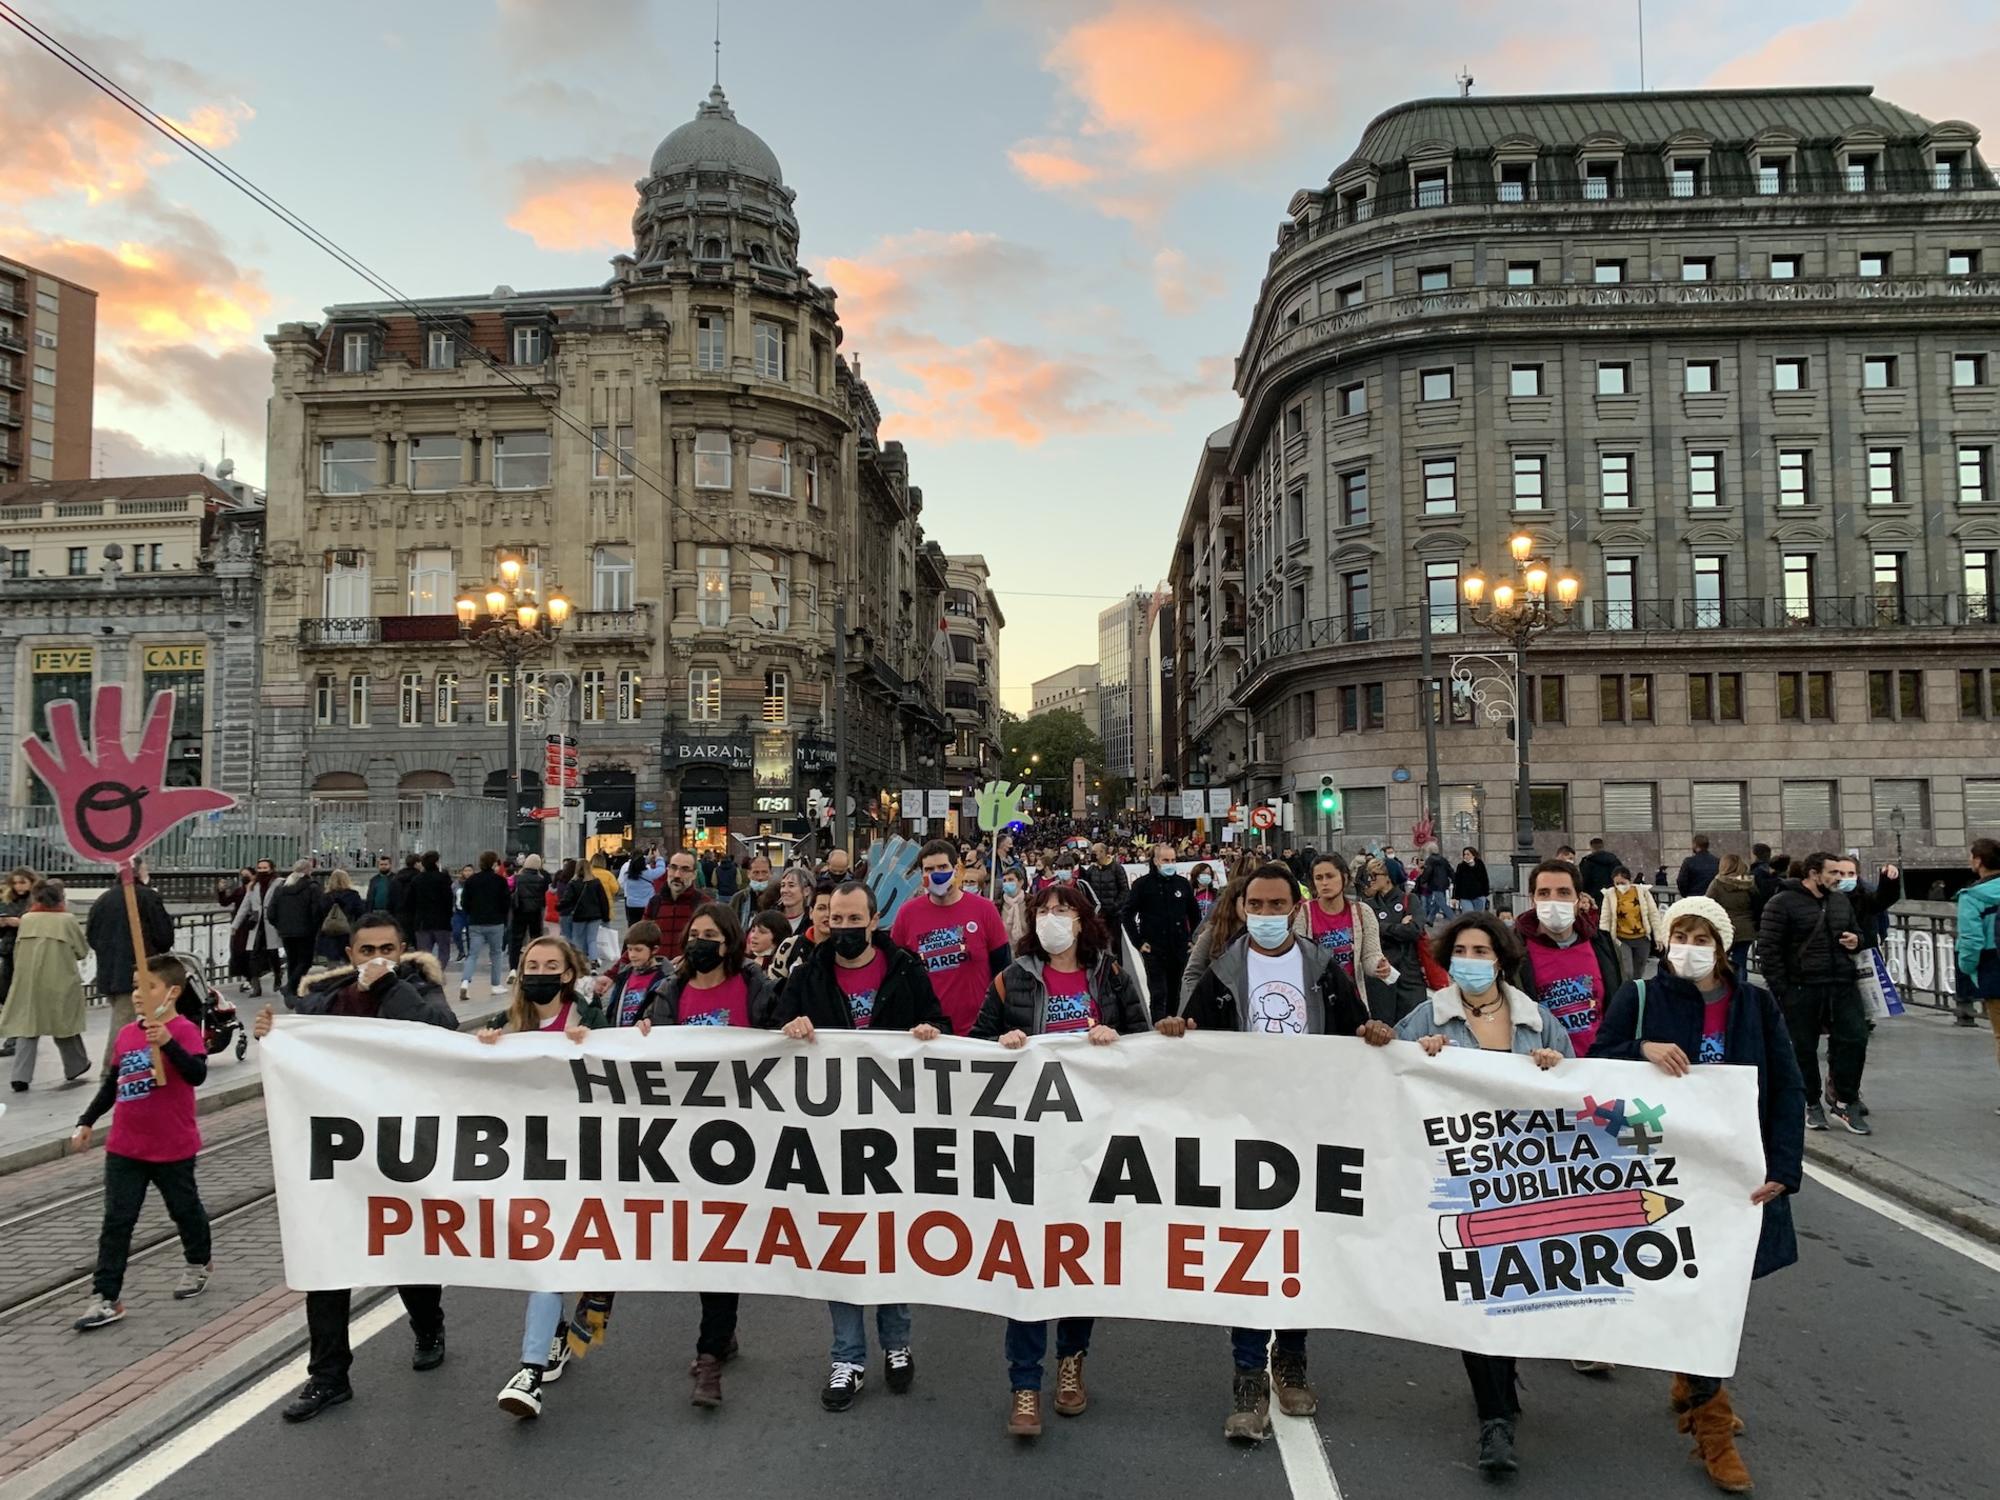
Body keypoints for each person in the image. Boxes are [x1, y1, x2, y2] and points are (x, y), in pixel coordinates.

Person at [1163, 861, 1393, 1441]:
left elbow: (1356, 1030)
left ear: (1295, 907)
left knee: (1298, 1250)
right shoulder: (1222, 971)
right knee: (1245, 1255)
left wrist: (1373, 1035)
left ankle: (1291, 1361)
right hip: (1244, 1134)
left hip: (1307, 1132)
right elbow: (1193, 1039)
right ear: (1242, 910)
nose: (1265, 915)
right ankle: (1247, 1375)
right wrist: (1175, 1034)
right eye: (1255, 906)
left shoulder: (1320, 967)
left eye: (1276, 906)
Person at [1594, 896, 1805, 1495]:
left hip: (1734, 1176)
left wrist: (1785, 1167)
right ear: (1664, 940)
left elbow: (1787, 1086)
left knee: (1722, 1289)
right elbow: (1596, 1071)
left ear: (1722, 944)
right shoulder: (1640, 998)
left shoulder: (1755, 1005)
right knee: (1694, 1294)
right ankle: (1712, 1428)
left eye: (1701, 935)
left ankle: (1690, 1383)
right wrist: (1640, 1050)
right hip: (1657, 1174)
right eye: (1679, 933)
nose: (1689, 945)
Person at [254, 913, 458, 1421]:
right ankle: (328, 1376)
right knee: (327, 1257)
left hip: (400, 1145)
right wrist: (273, 1032)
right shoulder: (328, 995)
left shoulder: (421, 990)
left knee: (409, 1248)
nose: (376, 958)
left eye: (386, 948)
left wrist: (390, 985)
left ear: (404, 948)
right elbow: (298, 1025)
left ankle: (427, 1323)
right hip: (338, 1149)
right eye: (367, 951)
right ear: (351, 955)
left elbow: (443, 1033)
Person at [1392, 911, 1571, 1476]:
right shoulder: (1428, 1016)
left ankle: (1502, 1381)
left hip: (1524, 1179)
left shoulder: (1537, 1023)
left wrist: (1554, 1067)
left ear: (1501, 958)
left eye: (1482, 950)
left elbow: (1580, 1093)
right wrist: (1412, 1055)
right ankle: (1494, 1417)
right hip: (1458, 1180)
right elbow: (1386, 1078)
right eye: (1461, 951)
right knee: (1479, 1293)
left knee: (1516, 1289)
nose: (1471, 960)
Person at [970, 884, 1147, 1436]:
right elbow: (976, 1046)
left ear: (1082, 920)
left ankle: (1071, 1362)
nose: (1053, 918)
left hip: (1093, 1146)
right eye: (1044, 910)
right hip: (1028, 1148)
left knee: (1076, 1260)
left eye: (1064, 910)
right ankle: (1025, 1384)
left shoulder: (1111, 977)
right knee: (1026, 1264)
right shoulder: (1012, 978)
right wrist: (1005, 1044)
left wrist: (1116, 1040)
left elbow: (1144, 1047)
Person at [777, 881, 947, 1412]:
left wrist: (929, 1032)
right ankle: (847, 1357)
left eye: (856, 919)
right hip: (830, 1134)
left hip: (894, 1131)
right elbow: (768, 1033)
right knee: (841, 1242)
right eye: (837, 919)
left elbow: (941, 1025)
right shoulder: (807, 977)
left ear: (874, 920)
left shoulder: (908, 970)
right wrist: (791, 1026)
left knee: (890, 1237)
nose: (845, 928)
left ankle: (896, 1343)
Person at [641, 902, 782, 1404]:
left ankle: (709, 1357)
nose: (699, 942)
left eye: (710, 935)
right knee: (705, 1244)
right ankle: (719, 1336)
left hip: (743, 1136)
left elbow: (780, 1044)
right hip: (686, 1139)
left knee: (725, 1239)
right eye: (694, 934)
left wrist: (796, 1031)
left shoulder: (755, 989)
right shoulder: (669, 992)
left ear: (729, 943)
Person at [480, 935, 612, 1419]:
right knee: (546, 1256)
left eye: (549, 965)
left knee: (550, 1258)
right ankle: (553, 1338)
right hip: (524, 1160)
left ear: (567, 975)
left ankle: (530, 1372)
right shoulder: (504, 1024)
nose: (538, 971)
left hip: (582, 1160)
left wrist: (600, 1046)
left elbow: (625, 1073)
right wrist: (484, 1051)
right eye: (531, 963)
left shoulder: (591, 1021)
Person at [69, 954, 212, 1329]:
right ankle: (106, 1296)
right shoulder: (128, 1034)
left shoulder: (183, 1031)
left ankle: (198, 1261)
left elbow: (197, 1074)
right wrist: (87, 1121)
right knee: (117, 1220)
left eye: (147, 987)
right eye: (135, 986)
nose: (137, 994)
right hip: (125, 1146)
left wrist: (167, 1043)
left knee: (184, 1209)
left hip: (172, 1146)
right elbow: (112, 1084)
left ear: (173, 992)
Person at [1757, 852, 1867, 1134]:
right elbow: (1768, 950)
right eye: (1833, 873)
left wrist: (1857, 940)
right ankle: (1811, 1103)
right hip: (1801, 987)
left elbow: (1857, 932)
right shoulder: (1782, 903)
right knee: (1803, 1048)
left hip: (1841, 983)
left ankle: (1845, 1101)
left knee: (1854, 1039)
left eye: (1843, 874)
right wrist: (1782, 990)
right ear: (1813, 873)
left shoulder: (1840, 900)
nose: (1839, 879)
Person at [889, 840, 1012, 1038]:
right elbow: (897, 976)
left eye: (942, 867)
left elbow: (1004, 971)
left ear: (956, 869)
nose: (936, 874)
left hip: (979, 1032)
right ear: (922, 875)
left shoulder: (985, 910)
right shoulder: (907, 914)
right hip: (929, 1032)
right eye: (929, 869)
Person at [1510, 859, 1627, 1059]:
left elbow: (1619, 1008)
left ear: (1578, 899)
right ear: (1533, 899)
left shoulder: (1602, 945)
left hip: (1598, 1065)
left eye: (1563, 893)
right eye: (1544, 893)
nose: (1553, 901)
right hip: (1543, 1068)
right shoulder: (1513, 950)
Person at [84, 857, 174, 1077]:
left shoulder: (103, 899)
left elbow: (91, 936)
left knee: (127, 1019)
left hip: (109, 971)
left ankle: (141, 1065)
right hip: (137, 972)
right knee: (125, 1024)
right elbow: (164, 936)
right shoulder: (146, 897)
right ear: (137, 872)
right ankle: (110, 1073)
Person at [5, 880, 91, 1091]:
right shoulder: (67, 920)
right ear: (60, 899)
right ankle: (75, 1066)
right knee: (64, 1024)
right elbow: (81, 951)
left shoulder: (27, 919)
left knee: (28, 1026)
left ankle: (21, 1076)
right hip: (60, 979)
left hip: (28, 980)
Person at [1123, 843, 1202, 1019]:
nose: (1170, 864)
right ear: (1156, 861)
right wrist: (1138, 942)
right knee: (1158, 992)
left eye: (1173, 860)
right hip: (1154, 949)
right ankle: (1158, 1026)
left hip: (1179, 947)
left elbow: (1195, 914)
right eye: (1166, 860)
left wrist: (1192, 939)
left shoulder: (1182, 884)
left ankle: (1172, 1021)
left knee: (1175, 992)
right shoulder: (1142, 885)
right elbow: (1127, 915)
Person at [1291, 853, 1389, 995]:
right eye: (1319, 878)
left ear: (1345, 877)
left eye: (1330, 876)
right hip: (1317, 998)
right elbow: (1297, 959)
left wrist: (1378, 966)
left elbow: (1370, 955)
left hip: (1352, 998)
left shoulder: (1363, 912)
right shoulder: (1304, 913)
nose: (1324, 883)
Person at [1360, 860, 1426, 1021]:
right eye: (1369, 876)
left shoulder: (1410, 900)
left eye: (1375, 875)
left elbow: (1414, 930)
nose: (1371, 880)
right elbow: (1364, 933)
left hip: (1408, 974)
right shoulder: (1366, 906)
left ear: (1388, 877)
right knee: (1383, 1027)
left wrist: (1379, 927)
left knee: (1413, 1026)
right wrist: (1397, 927)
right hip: (1380, 977)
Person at [1955, 839, 2000, 1056]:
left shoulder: (1971, 896)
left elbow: (1972, 939)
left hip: (1994, 966)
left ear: (1979, 861)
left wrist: (1967, 966)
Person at [264, 860, 323, 1003]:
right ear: (309, 871)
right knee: (305, 961)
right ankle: (289, 987)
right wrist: (315, 927)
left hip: (286, 932)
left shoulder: (281, 888)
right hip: (306, 931)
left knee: (293, 961)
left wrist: (280, 926)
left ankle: (292, 994)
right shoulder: (312, 888)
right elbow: (317, 911)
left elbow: (271, 912)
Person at [458, 851, 512, 1001]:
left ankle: (465, 982)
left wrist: (472, 914)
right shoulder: (500, 881)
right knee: (496, 953)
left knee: (473, 954)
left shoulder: (471, 880)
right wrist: (502, 916)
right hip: (495, 922)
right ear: (494, 863)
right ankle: (495, 985)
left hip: (475, 922)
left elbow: (464, 903)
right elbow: (506, 902)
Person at [594, 921, 669, 1025]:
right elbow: (614, 1009)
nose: (632, 955)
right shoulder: (624, 975)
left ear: (654, 950)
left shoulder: (664, 980)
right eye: (629, 949)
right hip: (621, 1035)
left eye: (638, 950)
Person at [228, 859, 282, 999]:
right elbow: (245, 906)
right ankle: (256, 987)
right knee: (253, 955)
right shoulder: (253, 886)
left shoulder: (279, 883)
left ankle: (278, 976)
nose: (262, 870)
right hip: (256, 924)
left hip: (271, 923)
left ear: (271, 868)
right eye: (260, 867)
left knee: (273, 953)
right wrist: (235, 925)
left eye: (265, 867)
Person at [0, 865, 36, 1057]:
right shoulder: (8, 900)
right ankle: (16, 1035)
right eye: (15, 883)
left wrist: (20, 922)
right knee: (5, 992)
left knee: (19, 995)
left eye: (23, 882)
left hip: (26, 951)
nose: (19, 887)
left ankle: (14, 1038)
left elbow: (39, 922)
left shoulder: (35, 900)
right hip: (8, 949)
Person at [644, 849, 705, 958]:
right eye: (673, 867)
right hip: (660, 971)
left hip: (689, 971)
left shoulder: (704, 904)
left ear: (694, 874)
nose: (677, 875)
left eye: (685, 870)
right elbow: (639, 939)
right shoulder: (655, 902)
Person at [1605, 865, 1661, 979]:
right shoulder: (1610, 894)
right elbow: (1605, 918)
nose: (1620, 886)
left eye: (1623, 883)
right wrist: (1605, 940)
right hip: (1621, 939)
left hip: (1642, 938)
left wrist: (1659, 936)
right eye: (1617, 883)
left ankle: (1637, 993)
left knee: (1639, 972)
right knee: (1627, 972)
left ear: (1629, 881)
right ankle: (1627, 992)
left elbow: (1653, 914)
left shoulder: (1642, 893)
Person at [1707, 854, 1757, 974]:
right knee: (1741, 963)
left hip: (1724, 928)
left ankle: (1724, 988)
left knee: (1720, 961)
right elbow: (1756, 904)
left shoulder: (1717, 883)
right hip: (1746, 929)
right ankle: (1741, 989)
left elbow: (1708, 903)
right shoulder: (1749, 883)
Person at [564, 855, 614, 969]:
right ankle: (593, 960)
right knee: (592, 939)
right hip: (595, 915)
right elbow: (603, 900)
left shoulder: (573, 883)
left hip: (579, 915)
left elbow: (567, 900)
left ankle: (578, 962)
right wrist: (605, 916)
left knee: (578, 939)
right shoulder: (596, 882)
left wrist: (562, 909)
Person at [406, 851, 454, 965]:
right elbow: (448, 899)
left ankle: (427, 974)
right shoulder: (443, 878)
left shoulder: (417, 880)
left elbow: (410, 901)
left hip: (422, 921)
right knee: (444, 951)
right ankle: (439, 972)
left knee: (424, 954)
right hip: (442, 921)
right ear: (437, 862)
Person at [507, 854, 549, 975]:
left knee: (516, 941)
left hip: (519, 910)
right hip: (535, 912)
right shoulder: (542, 879)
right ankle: (533, 965)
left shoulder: (517, 878)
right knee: (535, 939)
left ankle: (513, 969)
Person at [315, 868, 366, 965]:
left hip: (329, 933)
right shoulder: (353, 895)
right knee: (348, 960)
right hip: (348, 932)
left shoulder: (325, 897)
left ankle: (335, 978)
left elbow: (319, 914)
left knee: (332, 962)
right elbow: (361, 913)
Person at [1079, 842, 1130, 928]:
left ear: (1102, 852)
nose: (1092, 854)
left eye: (1095, 852)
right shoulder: (1092, 869)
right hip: (1097, 914)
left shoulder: (1117, 868)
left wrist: (1115, 906)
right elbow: (1086, 888)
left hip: (1113, 915)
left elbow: (1124, 890)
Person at [622, 848, 666, 926]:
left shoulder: (627, 875)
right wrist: (658, 858)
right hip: (646, 904)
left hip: (631, 905)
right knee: (646, 926)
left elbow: (636, 864)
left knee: (633, 926)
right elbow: (661, 869)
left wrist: (646, 858)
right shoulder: (649, 874)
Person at [744, 910, 793, 975]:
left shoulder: (786, 965)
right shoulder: (743, 961)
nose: (754, 936)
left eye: (762, 932)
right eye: (753, 930)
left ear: (778, 935)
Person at [730, 855, 774, 925]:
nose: (760, 877)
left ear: (771, 873)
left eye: (764, 872)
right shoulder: (738, 899)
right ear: (748, 874)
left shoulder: (778, 899)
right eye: (756, 872)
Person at [1577, 837, 1621, 903]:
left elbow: (1585, 880)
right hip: (1612, 894)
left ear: (1591, 847)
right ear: (1603, 846)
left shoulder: (1587, 862)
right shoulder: (1614, 860)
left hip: (1593, 896)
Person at [997, 865, 1029, 945]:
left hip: (1027, 949)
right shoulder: (998, 905)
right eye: (1004, 881)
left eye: (1010, 880)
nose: (1007, 883)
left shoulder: (1031, 902)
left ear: (1021, 882)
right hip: (1006, 950)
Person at [1451, 847, 1490, 912]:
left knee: (1478, 916)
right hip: (1465, 896)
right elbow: (1457, 882)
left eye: (1468, 854)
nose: (1465, 856)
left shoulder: (1480, 864)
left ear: (1473, 855)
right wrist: (1454, 897)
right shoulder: (1461, 866)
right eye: (1464, 854)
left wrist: (1485, 893)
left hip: (1479, 895)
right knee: (1468, 915)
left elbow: (1484, 879)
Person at [450, 863, 473, 961]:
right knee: (456, 932)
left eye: (469, 870)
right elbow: (452, 896)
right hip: (458, 912)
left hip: (471, 912)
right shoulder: (456, 884)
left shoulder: (475, 883)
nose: (467, 873)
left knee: (470, 934)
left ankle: (470, 954)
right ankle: (461, 951)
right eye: (465, 870)